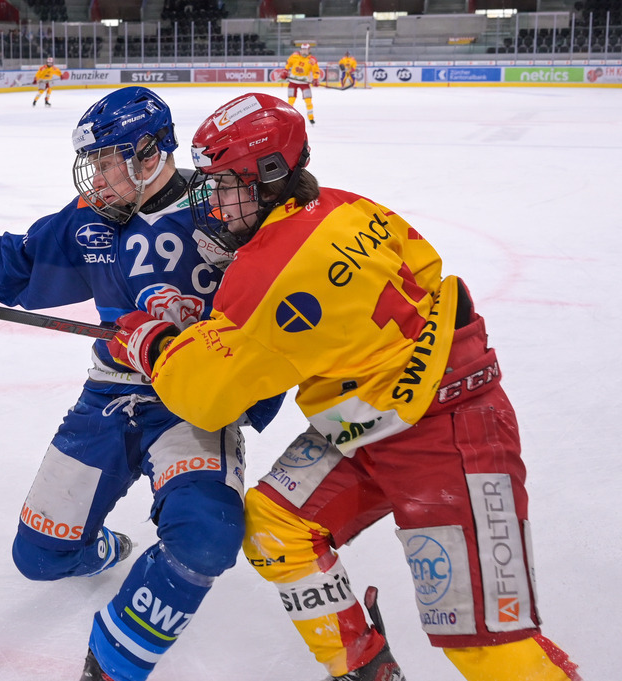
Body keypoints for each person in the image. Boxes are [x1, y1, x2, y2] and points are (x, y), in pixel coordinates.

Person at [109, 92, 583, 681]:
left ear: (271, 176)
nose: (215, 201)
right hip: (372, 419)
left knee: (486, 644)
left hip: (447, 432)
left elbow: (206, 398)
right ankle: (364, 669)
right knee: (277, 527)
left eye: (227, 183)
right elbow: (423, 268)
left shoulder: (262, 275)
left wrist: (151, 343)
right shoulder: (349, 207)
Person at [0, 86, 281, 681]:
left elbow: (289, 291)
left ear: (149, 152)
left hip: (194, 404)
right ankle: (106, 546)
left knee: (207, 532)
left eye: (110, 161)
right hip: (111, 395)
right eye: (96, 163)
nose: (99, 178)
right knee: (38, 558)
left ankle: (111, 665)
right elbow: (24, 260)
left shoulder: (222, 211)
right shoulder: (91, 221)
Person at [283, 42, 320, 125]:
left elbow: (316, 70)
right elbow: (288, 64)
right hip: (293, 81)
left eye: (305, 49)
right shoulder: (295, 55)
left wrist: (316, 79)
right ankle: (289, 117)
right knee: (291, 100)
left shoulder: (312, 60)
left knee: (308, 100)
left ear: (309, 50)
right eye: (303, 49)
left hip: (304, 82)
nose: (304, 51)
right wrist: (285, 71)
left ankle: (311, 118)